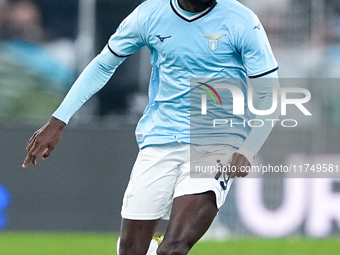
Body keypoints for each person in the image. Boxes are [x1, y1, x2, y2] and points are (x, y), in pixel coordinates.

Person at [22, 0, 280, 254]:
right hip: (159, 140)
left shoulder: (242, 21)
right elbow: (104, 64)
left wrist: (248, 148)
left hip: (216, 139)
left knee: (174, 249)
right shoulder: (149, 14)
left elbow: (270, 95)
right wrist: (59, 120)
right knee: (131, 249)